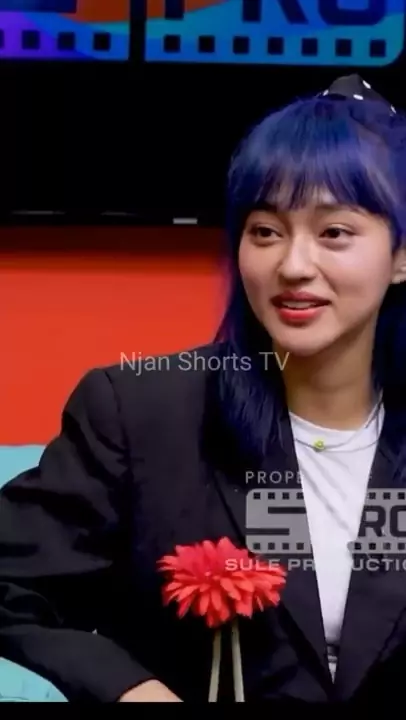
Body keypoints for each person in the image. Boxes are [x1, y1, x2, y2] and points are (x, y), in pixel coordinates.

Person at [1, 74, 406, 705]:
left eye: (334, 233)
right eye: (265, 231)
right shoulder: (143, 412)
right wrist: (129, 689)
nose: (293, 265)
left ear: (400, 256)